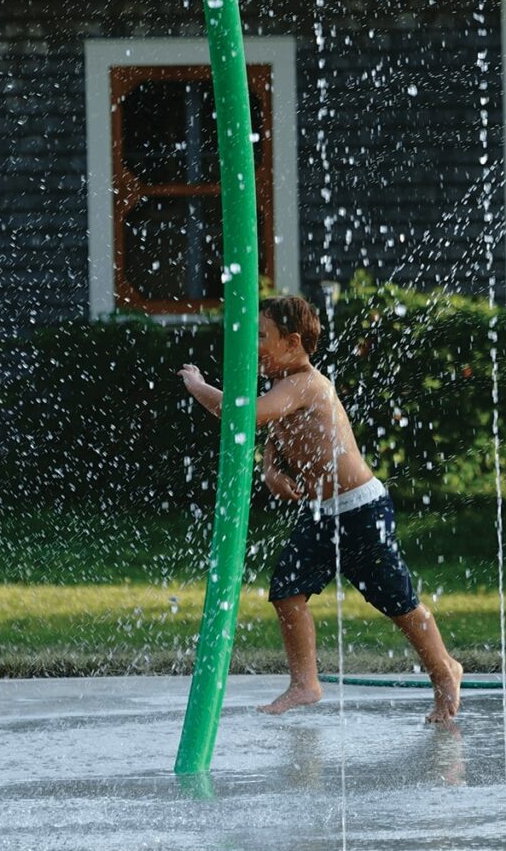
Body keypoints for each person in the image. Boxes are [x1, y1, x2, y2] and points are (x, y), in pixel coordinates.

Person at [178, 295, 461, 724]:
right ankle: (305, 683)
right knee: (287, 591)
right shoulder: (285, 385)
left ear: (292, 343)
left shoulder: (306, 382)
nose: (252, 345)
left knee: (396, 602)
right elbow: (277, 427)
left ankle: (444, 670)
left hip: (360, 510)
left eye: (261, 336)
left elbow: (249, 416)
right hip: (325, 513)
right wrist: (272, 469)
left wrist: (199, 387)